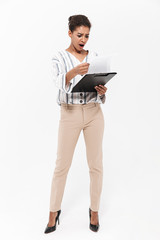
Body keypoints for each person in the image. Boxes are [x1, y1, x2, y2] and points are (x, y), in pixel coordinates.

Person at [44, 14, 107, 234]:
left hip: (93, 113)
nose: (83, 40)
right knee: (62, 166)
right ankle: (53, 212)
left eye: (87, 36)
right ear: (69, 33)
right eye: (79, 35)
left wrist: (102, 90)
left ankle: (95, 210)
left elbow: (98, 84)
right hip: (69, 114)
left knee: (96, 165)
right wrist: (74, 72)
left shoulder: (95, 56)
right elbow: (58, 82)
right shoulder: (59, 57)